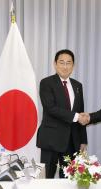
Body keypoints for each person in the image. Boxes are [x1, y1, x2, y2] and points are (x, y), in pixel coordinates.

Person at [36, 49, 88, 178]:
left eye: (68, 63)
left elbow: (80, 110)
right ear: (55, 64)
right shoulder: (46, 83)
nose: (65, 66)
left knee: (68, 180)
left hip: (72, 141)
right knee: (46, 178)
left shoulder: (77, 85)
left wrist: (83, 139)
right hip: (51, 140)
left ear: (73, 66)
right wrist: (76, 117)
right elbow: (50, 108)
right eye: (62, 62)